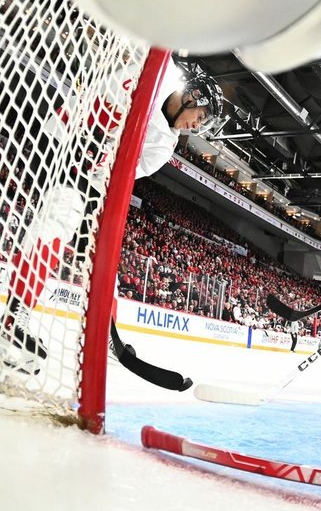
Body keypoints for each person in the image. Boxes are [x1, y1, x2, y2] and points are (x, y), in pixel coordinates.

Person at [1, 58, 223, 374]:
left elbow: (127, 174)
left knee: (104, 258)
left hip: (92, 177)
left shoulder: (165, 143)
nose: (197, 126)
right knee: (57, 222)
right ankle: (13, 320)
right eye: (200, 117)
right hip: (59, 146)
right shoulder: (154, 76)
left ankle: (105, 334)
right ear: (192, 95)